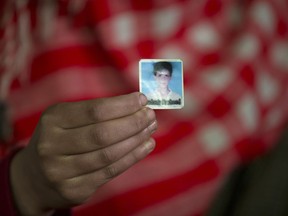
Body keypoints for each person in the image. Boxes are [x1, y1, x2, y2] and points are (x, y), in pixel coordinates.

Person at [0, 0, 288, 216]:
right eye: (160, 76)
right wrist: (25, 184)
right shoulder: (20, 35)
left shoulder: (270, 31)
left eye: (165, 76)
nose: (163, 78)